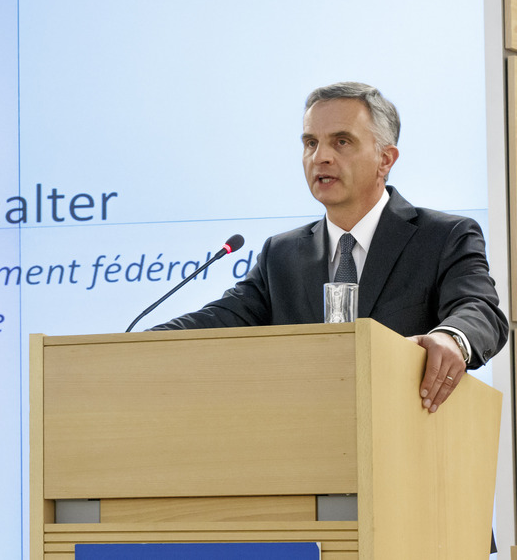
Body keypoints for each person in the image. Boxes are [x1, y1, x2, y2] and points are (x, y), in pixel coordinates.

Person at [151, 81, 508, 413]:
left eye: (341, 141)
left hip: (405, 449)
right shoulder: (282, 254)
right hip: (307, 454)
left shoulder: (443, 237)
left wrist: (451, 338)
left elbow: (478, 309)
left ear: (386, 159)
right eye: (310, 143)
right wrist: (139, 346)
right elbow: (221, 319)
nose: (320, 157)